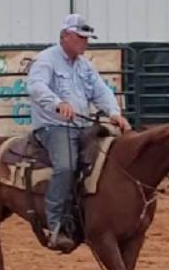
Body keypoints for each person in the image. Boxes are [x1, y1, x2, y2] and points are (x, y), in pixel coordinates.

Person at [26, 14, 132, 251]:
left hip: (82, 126)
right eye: (81, 37)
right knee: (66, 166)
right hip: (53, 127)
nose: (85, 43)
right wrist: (57, 103)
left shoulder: (84, 65)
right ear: (65, 36)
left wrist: (114, 112)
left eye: (87, 38)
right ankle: (53, 225)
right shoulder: (46, 60)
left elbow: (100, 90)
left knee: (108, 161)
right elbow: (35, 86)